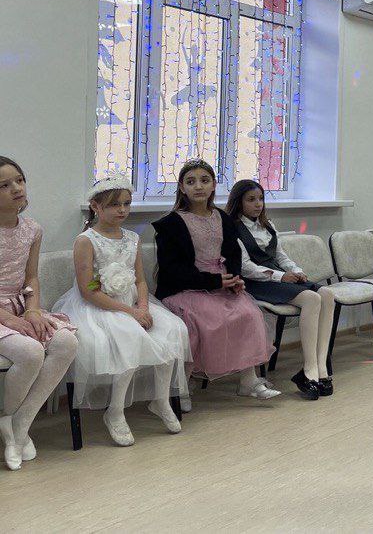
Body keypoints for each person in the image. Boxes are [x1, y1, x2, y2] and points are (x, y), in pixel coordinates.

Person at [52, 175, 190, 446]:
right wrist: (130, 312)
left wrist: (143, 307)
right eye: (115, 205)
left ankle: (161, 400)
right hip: (99, 305)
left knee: (172, 329)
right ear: (96, 206)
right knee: (129, 336)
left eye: (126, 203)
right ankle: (114, 411)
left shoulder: (132, 238)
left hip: (133, 302)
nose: (122, 210)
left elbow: (140, 280)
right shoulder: (86, 240)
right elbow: (89, 290)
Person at [153, 160, 279, 401]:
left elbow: (233, 254)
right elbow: (172, 269)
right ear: (182, 187)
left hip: (221, 285)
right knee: (206, 319)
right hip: (185, 287)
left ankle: (248, 381)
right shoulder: (170, 223)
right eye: (191, 182)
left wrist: (235, 279)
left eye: (204, 180)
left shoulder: (222, 218)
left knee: (249, 313)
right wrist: (215, 281)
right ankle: (183, 387)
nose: (198, 186)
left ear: (213, 185)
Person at [226, 179, 337, 400]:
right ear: (239, 202)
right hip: (257, 282)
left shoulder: (268, 225)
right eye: (251, 200)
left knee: (327, 294)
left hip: (278, 278)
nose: (258, 204)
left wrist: (297, 270)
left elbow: (281, 256)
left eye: (260, 199)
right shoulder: (233, 228)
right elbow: (246, 267)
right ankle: (309, 370)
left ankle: (321, 367)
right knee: (311, 299)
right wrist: (280, 276)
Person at [0, 156, 77, 470]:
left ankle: (19, 422)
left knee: (66, 343)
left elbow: (31, 276)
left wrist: (32, 310)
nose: (16, 188)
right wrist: (9, 319)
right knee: (31, 352)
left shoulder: (32, 229)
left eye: (19, 180)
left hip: (21, 304)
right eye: (4, 185)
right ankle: (8, 419)